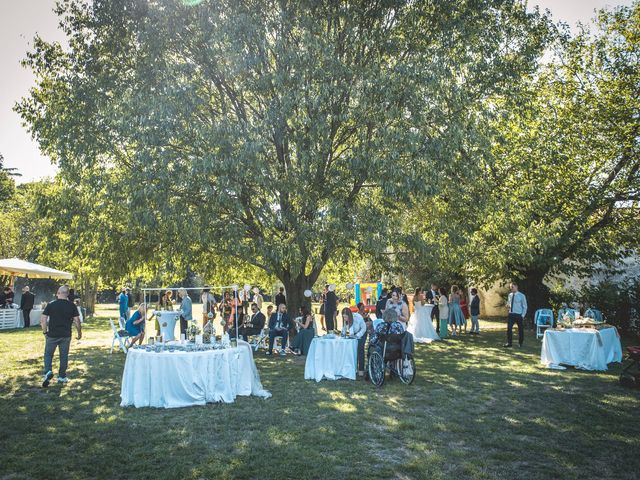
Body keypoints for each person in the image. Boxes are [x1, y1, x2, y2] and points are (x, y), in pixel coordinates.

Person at [40, 285, 82, 387]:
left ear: (58, 293)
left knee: (48, 354)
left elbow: (43, 320)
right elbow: (77, 320)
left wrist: (45, 332)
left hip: (52, 334)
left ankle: (48, 371)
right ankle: (62, 376)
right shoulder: (72, 306)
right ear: (67, 294)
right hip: (66, 335)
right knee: (63, 356)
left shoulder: (51, 304)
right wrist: (79, 333)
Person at [341, 307, 367, 376]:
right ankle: (353, 368)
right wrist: (342, 334)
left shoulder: (358, 317)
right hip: (353, 335)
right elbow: (344, 328)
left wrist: (358, 335)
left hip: (362, 333)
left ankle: (361, 369)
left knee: (360, 349)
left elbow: (364, 328)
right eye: (343, 317)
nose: (345, 319)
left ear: (349, 315)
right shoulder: (345, 320)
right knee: (353, 350)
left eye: (346, 317)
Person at [505, 282, 527, 348]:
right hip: (511, 314)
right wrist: (507, 306)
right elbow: (509, 304)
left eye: (512, 287)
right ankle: (509, 343)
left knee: (520, 330)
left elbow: (525, 306)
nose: (511, 288)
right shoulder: (510, 295)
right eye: (510, 287)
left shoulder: (522, 296)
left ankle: (520, 343)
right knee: (509, 329)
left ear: (516, 287)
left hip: (519, 315)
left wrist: (522, 315)